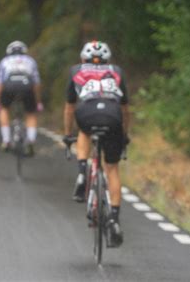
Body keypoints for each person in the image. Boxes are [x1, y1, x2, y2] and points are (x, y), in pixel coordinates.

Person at [63, 40, 130, 247]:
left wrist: (67, 134)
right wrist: (124, 135)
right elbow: (125, 109)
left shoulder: (76, 70)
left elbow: (69, 108)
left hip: (87, 112)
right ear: (107, 60)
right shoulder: (116, 71)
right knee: (112, 169)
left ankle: (83, 171)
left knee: (84, 130)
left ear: (83, 59)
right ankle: (114, 219)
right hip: (112, 115)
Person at [0, 40, 43, 155]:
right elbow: (36, 84)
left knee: (4, 109)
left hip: (9, 87)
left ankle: (6, 140)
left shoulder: (4, 61)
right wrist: (38, 102)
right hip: (27, 87)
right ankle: (31, 140)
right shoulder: (31, 61)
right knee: (30, 113)